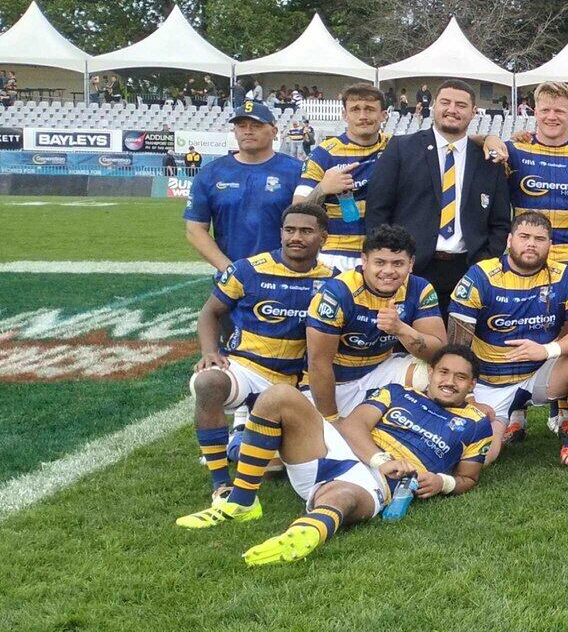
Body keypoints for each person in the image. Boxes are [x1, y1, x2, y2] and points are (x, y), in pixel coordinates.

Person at [174, 346, 499, 567]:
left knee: (341, 495)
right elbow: (354, 426)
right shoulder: (398, 392)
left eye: (460, 377)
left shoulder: (476, 424)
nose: (449, 381)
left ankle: (305, 533)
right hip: (348, 453)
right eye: (443, 372)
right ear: (432, 374)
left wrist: (441, 482)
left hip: (377, 482)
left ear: (472, 384)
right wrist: (380, 458)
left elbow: (468, 477)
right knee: (278, 395)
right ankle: (242, 503)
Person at [187, 205, 334, 502]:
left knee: (273, 467)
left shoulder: (336, 281)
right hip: (247, 368)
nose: (296, 237)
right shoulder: (248, 269)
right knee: (207, 383)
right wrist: (209, 352)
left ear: (323, 237)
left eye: (306, 231)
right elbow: (209, 313)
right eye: (290, 230)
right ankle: (220, 483)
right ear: (280, 233)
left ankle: (241, 440)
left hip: (297, 381)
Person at [449, 211, 568, 474]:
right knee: (482, 457)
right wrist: (468, 395)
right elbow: (456, 346)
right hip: (490, 383)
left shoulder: (565, 276)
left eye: (540, 238)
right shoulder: (481, 276)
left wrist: (546, 350)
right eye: (524, 237)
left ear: (550, 245)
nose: (531, 244)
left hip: (538, 375)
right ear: (510, 240)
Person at [366, 79, 513, 295]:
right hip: (410, 269)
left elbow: (500, 221)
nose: (452, 110)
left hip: (469, 270)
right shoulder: (401, 148)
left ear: (474, 112)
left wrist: (484, 261)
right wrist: (390, 259)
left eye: (461, 105)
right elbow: (378, 210)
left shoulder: (488, 159)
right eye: (445, 102)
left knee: (461, 330)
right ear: (434, 105)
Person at [303, 224, 447, 419]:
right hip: (333, 383)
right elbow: (318, 364)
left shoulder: (419, 288)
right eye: (380, 262)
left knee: (438, 375)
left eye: (398, 263)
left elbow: (439, 352)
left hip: (380, 371)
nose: (388, 271)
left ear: (411, 263)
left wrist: (400, 329)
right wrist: (331, 419)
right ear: (364, 261)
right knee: (328, 445)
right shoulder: (337, 293)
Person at [484, 81, 568, 272]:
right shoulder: (514, 150)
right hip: (524, 260)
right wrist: (489, 138)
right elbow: (467, 144)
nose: (552, 117)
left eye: (560, 111)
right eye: (545, 110)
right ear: (535, 112)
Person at [184, 98, 304, 270]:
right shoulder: (211, 173)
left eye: (256, 126)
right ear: (234, 131)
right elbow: (195, 229)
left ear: (274, 131)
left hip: (285, 277)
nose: (248, 131)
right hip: (231, 279)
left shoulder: (296, 171)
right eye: (241, 126)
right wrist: (230, 271)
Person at [295, 84, 391, 272]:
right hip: (334, 256)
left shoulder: (395, 147)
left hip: (382, 254)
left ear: (383, 115)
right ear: (345, 115)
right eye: (355, 110)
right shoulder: (323, 154)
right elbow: (297, 211)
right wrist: (323, 188)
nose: (363, 116)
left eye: (370, 109)